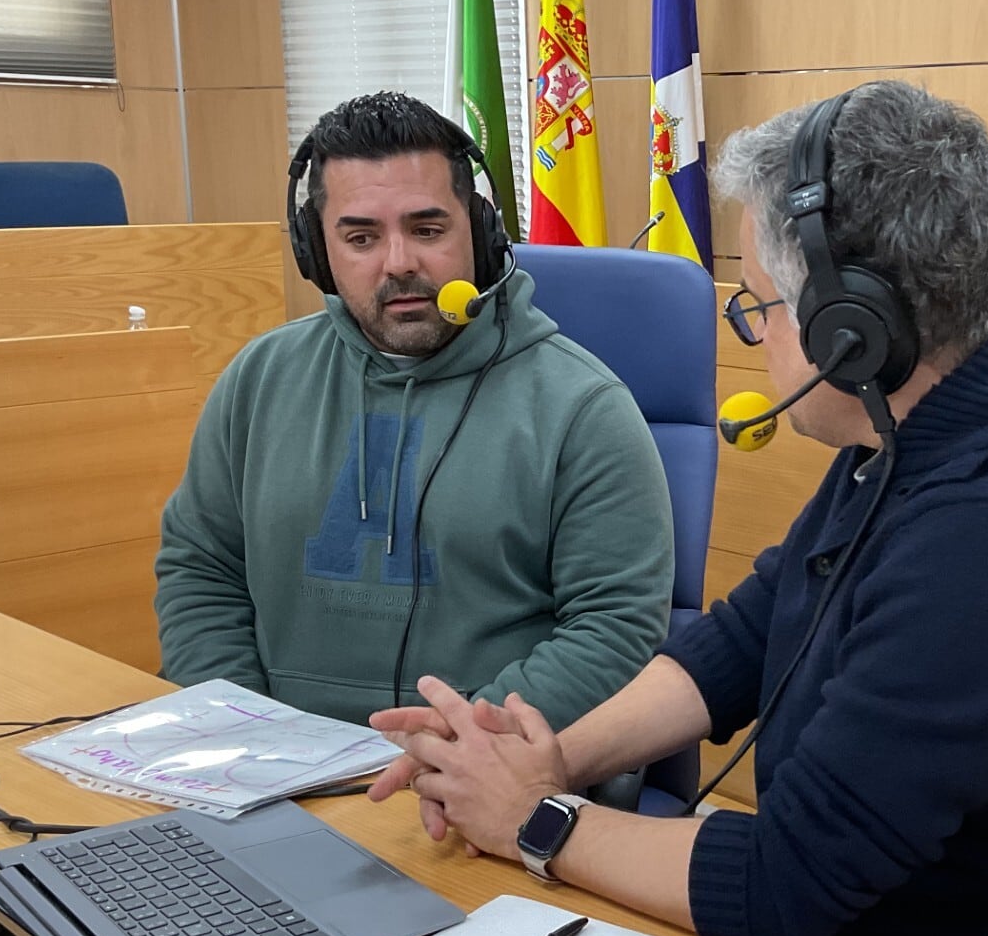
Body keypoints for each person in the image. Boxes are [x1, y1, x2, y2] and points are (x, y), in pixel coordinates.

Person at [369, 81, 988, 936]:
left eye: (761, 307)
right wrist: (555, 759)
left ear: (855, 329)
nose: (754, 336)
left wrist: (537, 821)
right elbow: (744, 641)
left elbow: (785, 885)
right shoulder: (923, 429)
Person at [155, 91, 674, 728]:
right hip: (265, 769)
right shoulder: (259, 379)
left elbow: (615, 627)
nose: (399, 263)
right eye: (361, 237)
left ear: (480, 236)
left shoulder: (583, 408)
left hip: (479, 776)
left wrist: (455, 745)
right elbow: (200, 567)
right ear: (317, 251)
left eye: (427, 230)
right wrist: (240, 728)